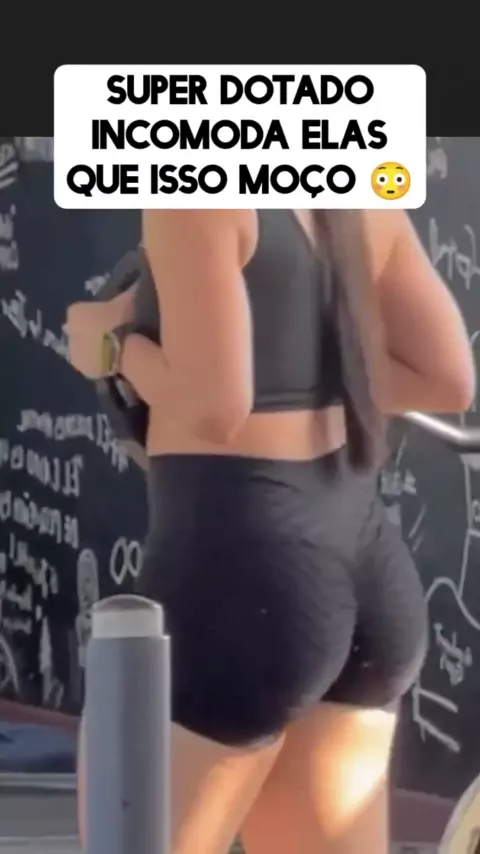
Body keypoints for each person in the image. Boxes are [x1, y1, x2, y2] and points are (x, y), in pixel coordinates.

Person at [65, 208, 475, 854]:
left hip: (239, 576)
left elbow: (214, 406)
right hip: (365, 567)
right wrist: (301, 370)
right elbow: (447, 380)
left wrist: (112, 345)